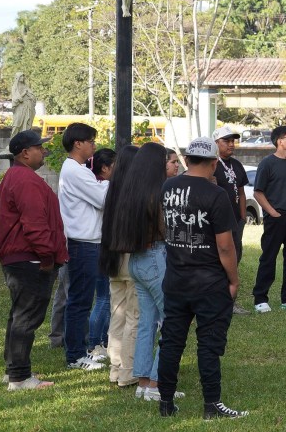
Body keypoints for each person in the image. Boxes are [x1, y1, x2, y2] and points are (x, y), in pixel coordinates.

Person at [158, 136, 247, 419]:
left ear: (186, 159)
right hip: (209, 281)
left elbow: (165, 226)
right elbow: (225, 245)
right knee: (209, 344)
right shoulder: (215, 194)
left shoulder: (168, 187)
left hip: (176, 278)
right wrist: (233, 280)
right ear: (213, 163)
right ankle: (212, 405)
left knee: (172, 341)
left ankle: (166, 403)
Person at [0, 130, 68, 391]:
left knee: (18, 315)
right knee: (26, 317)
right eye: (40, 147)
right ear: (25, 153)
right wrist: (46, 257)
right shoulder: (25, 180)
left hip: (20, 258)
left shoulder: (17, 176)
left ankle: (13, 371)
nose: (44, 151)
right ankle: (20, 378)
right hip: (30, 259)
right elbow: (35, 225)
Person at [110, 143, 176, 402]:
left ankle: (144, 384)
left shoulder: (130, 191)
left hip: (136, 261)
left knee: (147, 322)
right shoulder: (155, 193)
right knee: (172, 319)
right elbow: (165, 231)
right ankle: (157, 383)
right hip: (155, 259)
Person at [59, 122, 110, 370]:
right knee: (79, 301)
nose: (94, 145)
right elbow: (102, 198)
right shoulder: (74, 170)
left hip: (89, 242)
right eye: (91, 141)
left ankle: (80, 350)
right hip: (82, 244)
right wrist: (114, 180)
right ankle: (75, 355)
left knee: (82, 300)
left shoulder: (80, 169)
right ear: (77, 143)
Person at [251, 125, 286, 313]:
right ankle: (260, 298)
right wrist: (272, 212)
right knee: (269, 257)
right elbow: (258, 192)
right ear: (279, 141)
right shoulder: (267, 163)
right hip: (276, 218)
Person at [99, 145, 140, 388]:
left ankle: (116, 369)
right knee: (134, 317)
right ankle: (128, 370)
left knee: (117, 316)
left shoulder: (112, 189)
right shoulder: (134, 192)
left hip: (113, 259)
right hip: (131, 259)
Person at [212, 126, 251, 315]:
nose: (231, 144)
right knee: (219, 261)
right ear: (216, 143)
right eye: (226, 141)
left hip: (236, 221)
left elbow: (242, 192)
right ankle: (215, 301)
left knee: (235, 260)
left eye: (232, 141)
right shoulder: (211, 164)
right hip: (218, 223)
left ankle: (230, 302)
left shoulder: (236, 164)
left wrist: (243, 216)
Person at [87, 148, 117, 362]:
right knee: (104, 298)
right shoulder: (104, 187)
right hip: (100, 247)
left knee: (106, 297)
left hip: (100, 246)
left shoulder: (95, 185)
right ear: (105, 168)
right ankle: (94, 343)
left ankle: (103, 341)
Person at [10, 72, 36, 138]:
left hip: (28, 107)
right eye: (21, 76)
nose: (23, 78)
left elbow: (32, 96)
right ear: (17, 78)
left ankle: (24, 140)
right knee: (16, 124)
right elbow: (15, 99)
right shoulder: (15, 87)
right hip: (19, 108)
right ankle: (13, 141)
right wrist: (23, 94)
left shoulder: (26, 86)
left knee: (27, 125)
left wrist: (31, 98)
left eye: (23, 76)